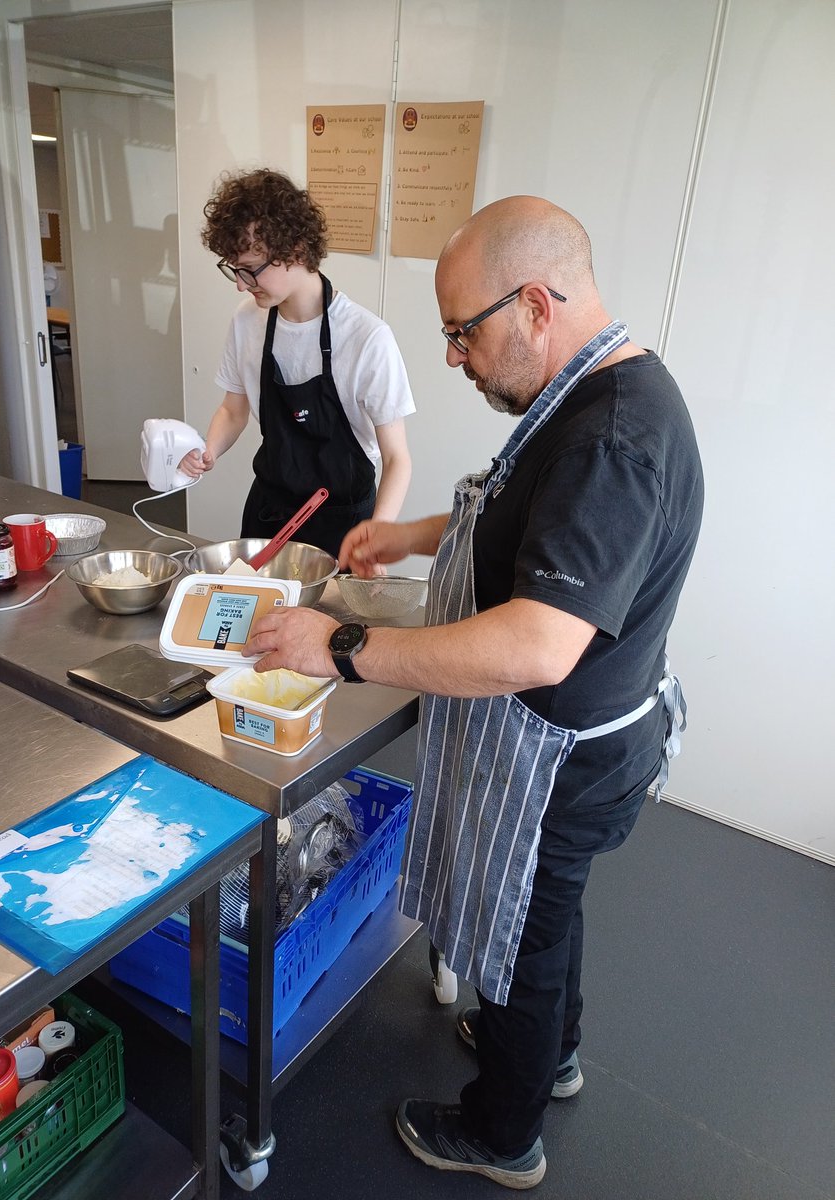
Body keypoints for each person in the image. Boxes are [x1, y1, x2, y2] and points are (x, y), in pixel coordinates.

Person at [243, 195, 704, 1189]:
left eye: (463, 332)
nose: (453, 356)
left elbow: (538, 644)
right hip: (579, 744)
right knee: (550, 913)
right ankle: (554, 1054)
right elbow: (513, 512)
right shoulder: (583, 394)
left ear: (535, 303)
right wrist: (412, 538)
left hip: (565, 757)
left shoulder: (613, 437)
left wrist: (349, 647)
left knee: (533, 933)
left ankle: (504, 1132)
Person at [179, 168, 415, 558]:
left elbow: (397, 459)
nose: (240, 284)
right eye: (233, 269)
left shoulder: (366, 338)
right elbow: (232, 410)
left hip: (345, 527)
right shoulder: (247, 320)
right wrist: (209, 451)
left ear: (298, 251)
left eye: (250, 270)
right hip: (269, 516)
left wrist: (378, 537)